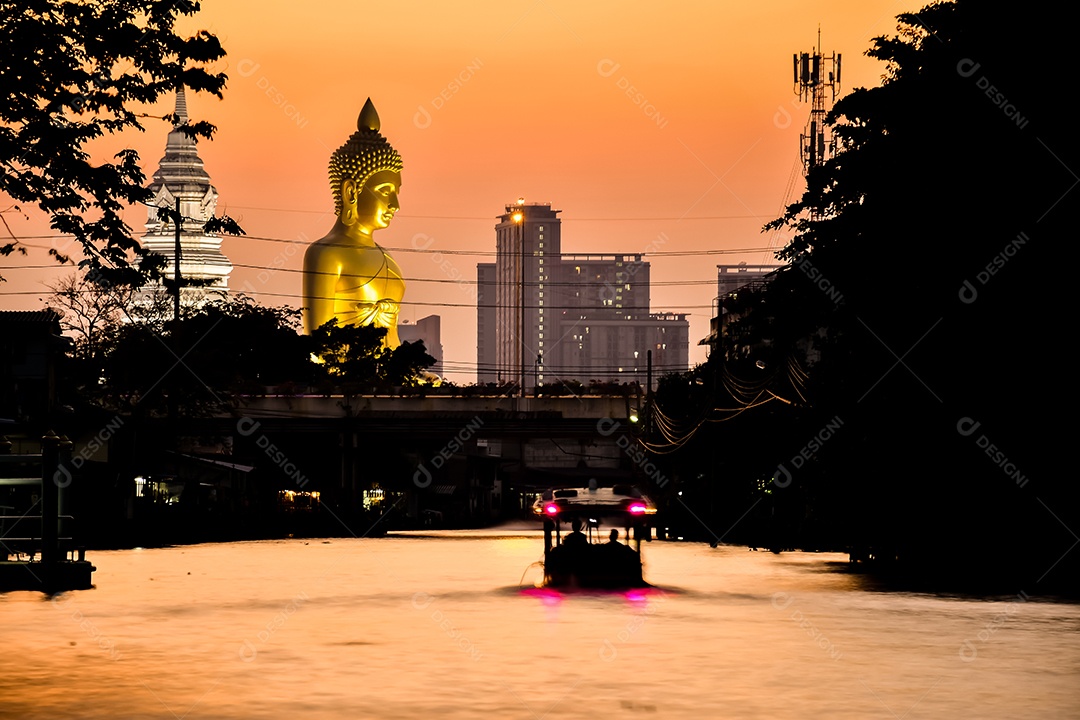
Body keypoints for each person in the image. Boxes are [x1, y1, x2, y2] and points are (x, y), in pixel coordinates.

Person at [303, 98, 406, 346]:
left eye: (397, 193)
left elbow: (392, 340)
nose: (394, 204)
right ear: (351, 192)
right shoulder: (326, 254)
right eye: (384, 191)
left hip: (388, 377)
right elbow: (318, 343)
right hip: (345, 375)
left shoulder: (388, 258)